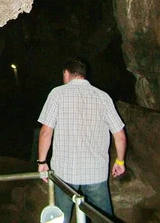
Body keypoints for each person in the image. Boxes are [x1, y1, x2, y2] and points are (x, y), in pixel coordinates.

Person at [37, 58, 126, 222]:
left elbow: (45, 132)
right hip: (95, 173)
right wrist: (120, 161)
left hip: (64, 173)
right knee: (102, 218)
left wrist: (42, 161)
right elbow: (119, 134)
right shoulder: (103, 97)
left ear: (66, 73)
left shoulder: (57, 94)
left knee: (60, 218)